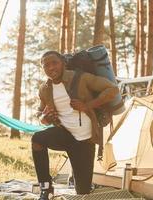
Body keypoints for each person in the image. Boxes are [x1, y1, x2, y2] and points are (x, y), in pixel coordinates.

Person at [32, 50, 119, 200]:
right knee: (37, 139)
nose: (51, 67)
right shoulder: (45, 89)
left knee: (82, 193)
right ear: (43, 69)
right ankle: (46, 188)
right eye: (46, 65)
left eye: (54, 63)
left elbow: (112, 89)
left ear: (63, 63)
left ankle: (82, 185)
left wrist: (88, 105)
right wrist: (44, 118)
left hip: (85, 140)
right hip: (64, 134)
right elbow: (40, 114)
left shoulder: (80, 78)